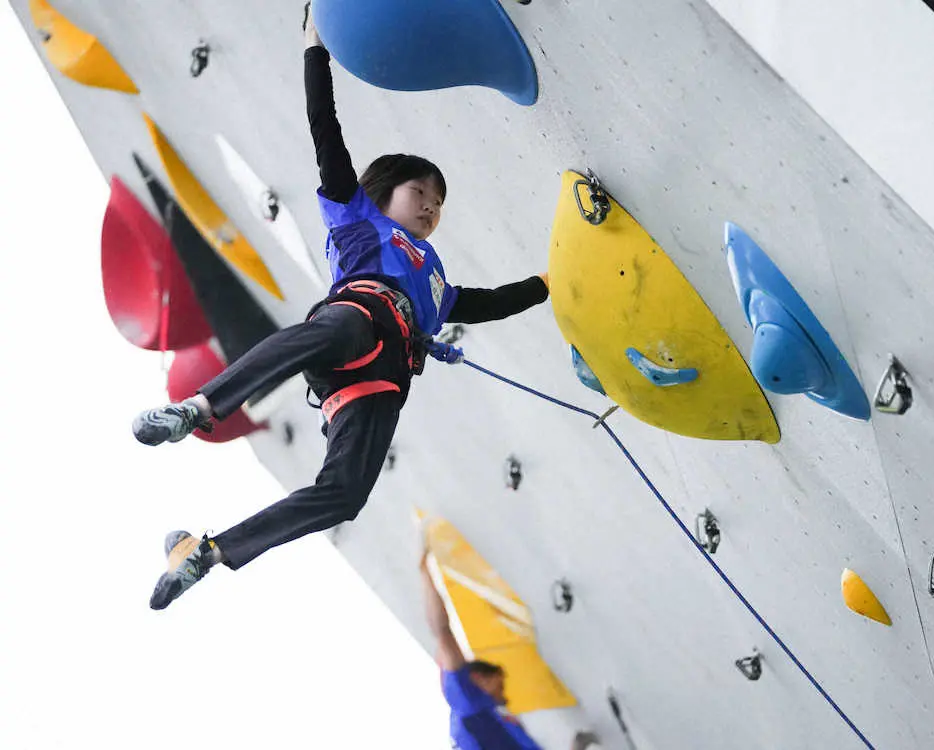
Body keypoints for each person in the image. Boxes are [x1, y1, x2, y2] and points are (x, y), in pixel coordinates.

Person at [134, 5, 550, 611]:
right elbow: (324, 127)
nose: (431, 208)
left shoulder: (437, 283)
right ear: (386, 192)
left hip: (379, 384)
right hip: (353, 324)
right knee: (327, 330)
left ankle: (209, 552)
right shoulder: (356, 215)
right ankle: (198, 408)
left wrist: (547, 282)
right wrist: (314, 48)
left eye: (438, 202)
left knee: (347, 493)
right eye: (420, 194)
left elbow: (492, 303)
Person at [419, 551, 600, 750]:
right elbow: (443, 632)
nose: (504, 696)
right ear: (479, 678)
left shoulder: (491, 718)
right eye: (499, 687)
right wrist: (426, 574)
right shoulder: (466, 701)